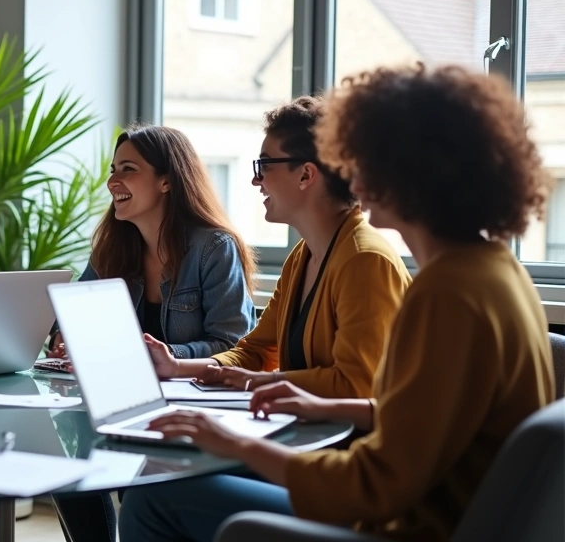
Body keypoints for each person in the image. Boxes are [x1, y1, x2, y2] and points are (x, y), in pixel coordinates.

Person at [118, 65, 555, 542]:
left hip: (402, 528)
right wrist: (333, 407)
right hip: (423, 509)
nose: (352, 174)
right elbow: (427, 418)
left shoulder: (447, 293)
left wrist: (237, 443)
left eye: (365, 158)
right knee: (180, 473)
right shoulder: (492, 270)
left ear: (415, 172)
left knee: (155, 496)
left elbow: (373, 484)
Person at [53, 124, 257, 542]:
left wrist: (170, 357)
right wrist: (66, 338)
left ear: (167, 180)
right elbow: (71, 319)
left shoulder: (214, 248)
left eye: (128, 170)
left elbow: (234, 345)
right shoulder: (112, 248)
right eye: (113, 170)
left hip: (193, 409)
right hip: (125, 403)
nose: (113, 181)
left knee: (135, 479)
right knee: (67, 456)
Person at [147, 96, 410, 398]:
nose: (255, 180)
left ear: (306, 175)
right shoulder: (301, 257)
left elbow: (358, 385)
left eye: (265, 165)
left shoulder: (365, 261)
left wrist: (261, 382)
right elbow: (256, 351)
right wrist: (176, 367)